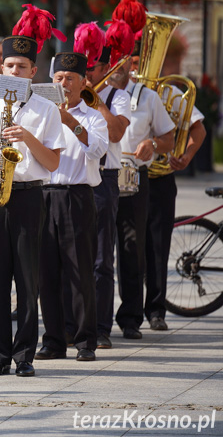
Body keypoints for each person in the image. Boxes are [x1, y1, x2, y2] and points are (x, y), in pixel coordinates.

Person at [0, 34, 66, 377]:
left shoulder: (47, 109)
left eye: (22, 66)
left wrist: (27, 137)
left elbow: (52, 163)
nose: (15, 71)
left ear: (33, 70)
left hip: (29, 195)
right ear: (0, 68)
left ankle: (24, 356)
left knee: (26, 278)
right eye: (9, 66)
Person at [36, 52, 108, 363]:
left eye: (69, 79)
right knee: (46, 274)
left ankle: (84, 341)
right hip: (44, 195)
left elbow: (98, 149)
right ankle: (53, 339)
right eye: (58, 78)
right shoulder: (39, 113)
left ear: (83, 83)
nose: (63, 84)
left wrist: (71, 121)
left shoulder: (92, 115)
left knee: (79, 271)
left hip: (77, 196)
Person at [110, 58, 174, 340]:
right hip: (97, 176)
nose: (115, 66)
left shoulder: (148, 97)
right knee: (95, 251)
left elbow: (169, 137)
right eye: (109, 60)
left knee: (131, 247)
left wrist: (153, 144)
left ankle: (131, 318)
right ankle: (94, 319)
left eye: (120, 60)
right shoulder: (92, 95)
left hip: (134, 177)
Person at [81, 46, 131, 350]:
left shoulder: (118, 96)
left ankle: (101, 327)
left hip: (104, 179)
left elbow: (114, 134)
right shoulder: (68, 93)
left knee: (101, 258)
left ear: (106, 69)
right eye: (83, 69)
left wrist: (95, 100)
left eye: (93, 68)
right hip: (74, 179)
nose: (87, 75)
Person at [144, 85, 205, 331]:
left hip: (159, 178)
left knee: (158, 247)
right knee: (121, 249)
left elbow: (197, 128)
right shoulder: (117, 89)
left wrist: (187, 156)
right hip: (122, 179)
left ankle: (156, 310)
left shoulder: (169, 92)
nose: (136, 67)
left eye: (137, 61)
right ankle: (127, 313)